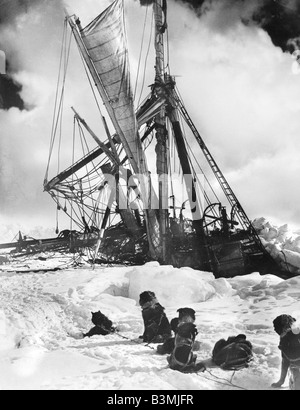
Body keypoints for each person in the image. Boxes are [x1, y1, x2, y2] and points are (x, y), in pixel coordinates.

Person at [272, 314, 300, 390]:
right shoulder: (284, 337)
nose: (275, 330)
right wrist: (281, 381)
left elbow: (287, 359)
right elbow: (285, 361)